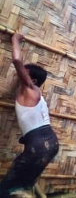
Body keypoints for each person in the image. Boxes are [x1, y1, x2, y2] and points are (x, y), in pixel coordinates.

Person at [0, 33, 59, 197]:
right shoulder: (36, 95)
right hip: (49, 143)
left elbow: (17, 61)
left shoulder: (30, 89)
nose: (19, 74)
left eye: (24, 74)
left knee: (6, 189)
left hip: (39, 144)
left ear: (32, 80)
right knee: (25, 182)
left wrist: (15, 40)